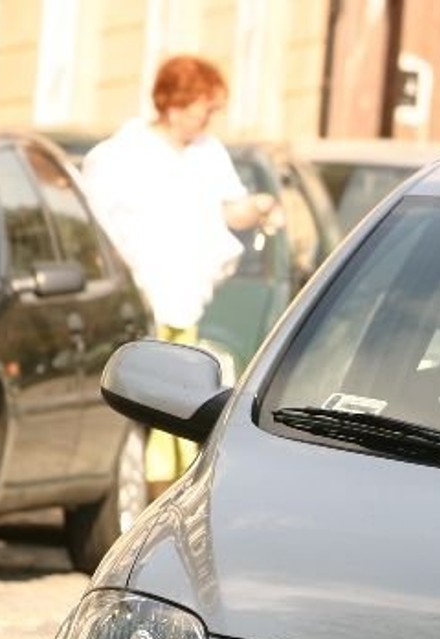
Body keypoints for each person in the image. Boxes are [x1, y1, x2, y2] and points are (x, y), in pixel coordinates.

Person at [82, 54, 280, 495]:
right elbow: (98, 227)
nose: (208, 121)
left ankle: (167, 488)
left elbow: (231, 208)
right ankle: (147, 489)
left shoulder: (207, 154)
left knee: (178, 396)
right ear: (175, 103)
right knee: (141, 395)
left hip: (183, 296)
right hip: (139, 295)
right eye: (203, 110)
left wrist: (262, 207)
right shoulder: (123, 155)